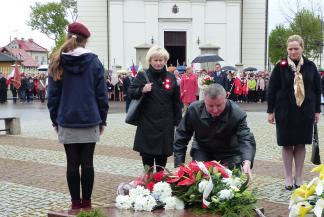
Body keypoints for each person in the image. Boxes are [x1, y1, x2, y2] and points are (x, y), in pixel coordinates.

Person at [47, 22, 109, 209]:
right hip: (90, 118)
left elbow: (52, 97)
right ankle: (87, 204)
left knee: (72, 164)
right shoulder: (94, 62)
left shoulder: (57, 61)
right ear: (86, 40)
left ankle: (75, 204)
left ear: (69, 37)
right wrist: (103, 119)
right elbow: (102, 95)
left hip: (66, 119)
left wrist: (55, 121)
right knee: (88, 163)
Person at [267, 35, 321, 190]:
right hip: (285, 111)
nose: (293, 51)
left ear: (302, 48)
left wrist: (317, 110)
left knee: (300, 144)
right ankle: (288, 177)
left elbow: (317, 90)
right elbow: (272, 90)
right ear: (287, 49)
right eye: (290, 49)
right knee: (286, 144)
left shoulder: (310, 66)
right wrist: (270, 111)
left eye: (296, 48)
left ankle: (299, 176)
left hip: (305, 112)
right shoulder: (280, 67)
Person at [174, 83, 255, 182]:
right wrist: (179, 165)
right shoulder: (193, 110)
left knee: (231, 184)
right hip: (202, 149)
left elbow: (245, 138)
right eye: (210, 105)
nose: (215, 110)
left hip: (229, 152)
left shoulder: (237, 113)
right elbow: (181, 136)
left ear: (226, 99)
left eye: (219, 105)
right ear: (204, 101)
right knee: (199, 181)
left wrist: (246, 161)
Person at [127, 46, 182, 172]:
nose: (158, 63)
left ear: (165, 61)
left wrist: (179, 122)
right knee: (147, 162)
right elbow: (130, 93)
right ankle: (147, 183)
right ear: (150, 61)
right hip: (147, 125)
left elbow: (177, 102)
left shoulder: (171, 77)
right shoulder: (142, 75)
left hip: (165, 125)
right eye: (155, 60)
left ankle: (160, 185)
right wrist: (142, 90)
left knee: (162, 162)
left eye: (161, 60)